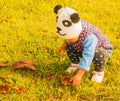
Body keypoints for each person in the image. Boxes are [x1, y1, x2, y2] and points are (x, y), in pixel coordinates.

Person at [54, 5, 113, 86]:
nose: (67, 40)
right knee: (69, 45)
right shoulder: (73, 29)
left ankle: (98, 72)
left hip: (100, 49)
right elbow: (67, 37)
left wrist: (79, 74)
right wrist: (63, 46)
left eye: (69, 38)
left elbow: (88, 55)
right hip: (81, 46)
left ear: (77, 32)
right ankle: (75, 64)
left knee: (99, 54)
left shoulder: (89, 37)